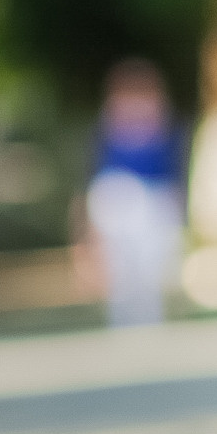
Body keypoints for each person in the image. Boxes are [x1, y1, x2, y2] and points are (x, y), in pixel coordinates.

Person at [79, 59, 185, 327]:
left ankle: (149, 323)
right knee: (121, 269)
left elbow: (173, 171)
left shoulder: (166, 126)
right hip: (117, 196)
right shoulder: (106, 127)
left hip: (154, 199)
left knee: (151, 269)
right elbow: (94, 171)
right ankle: (123, 324)